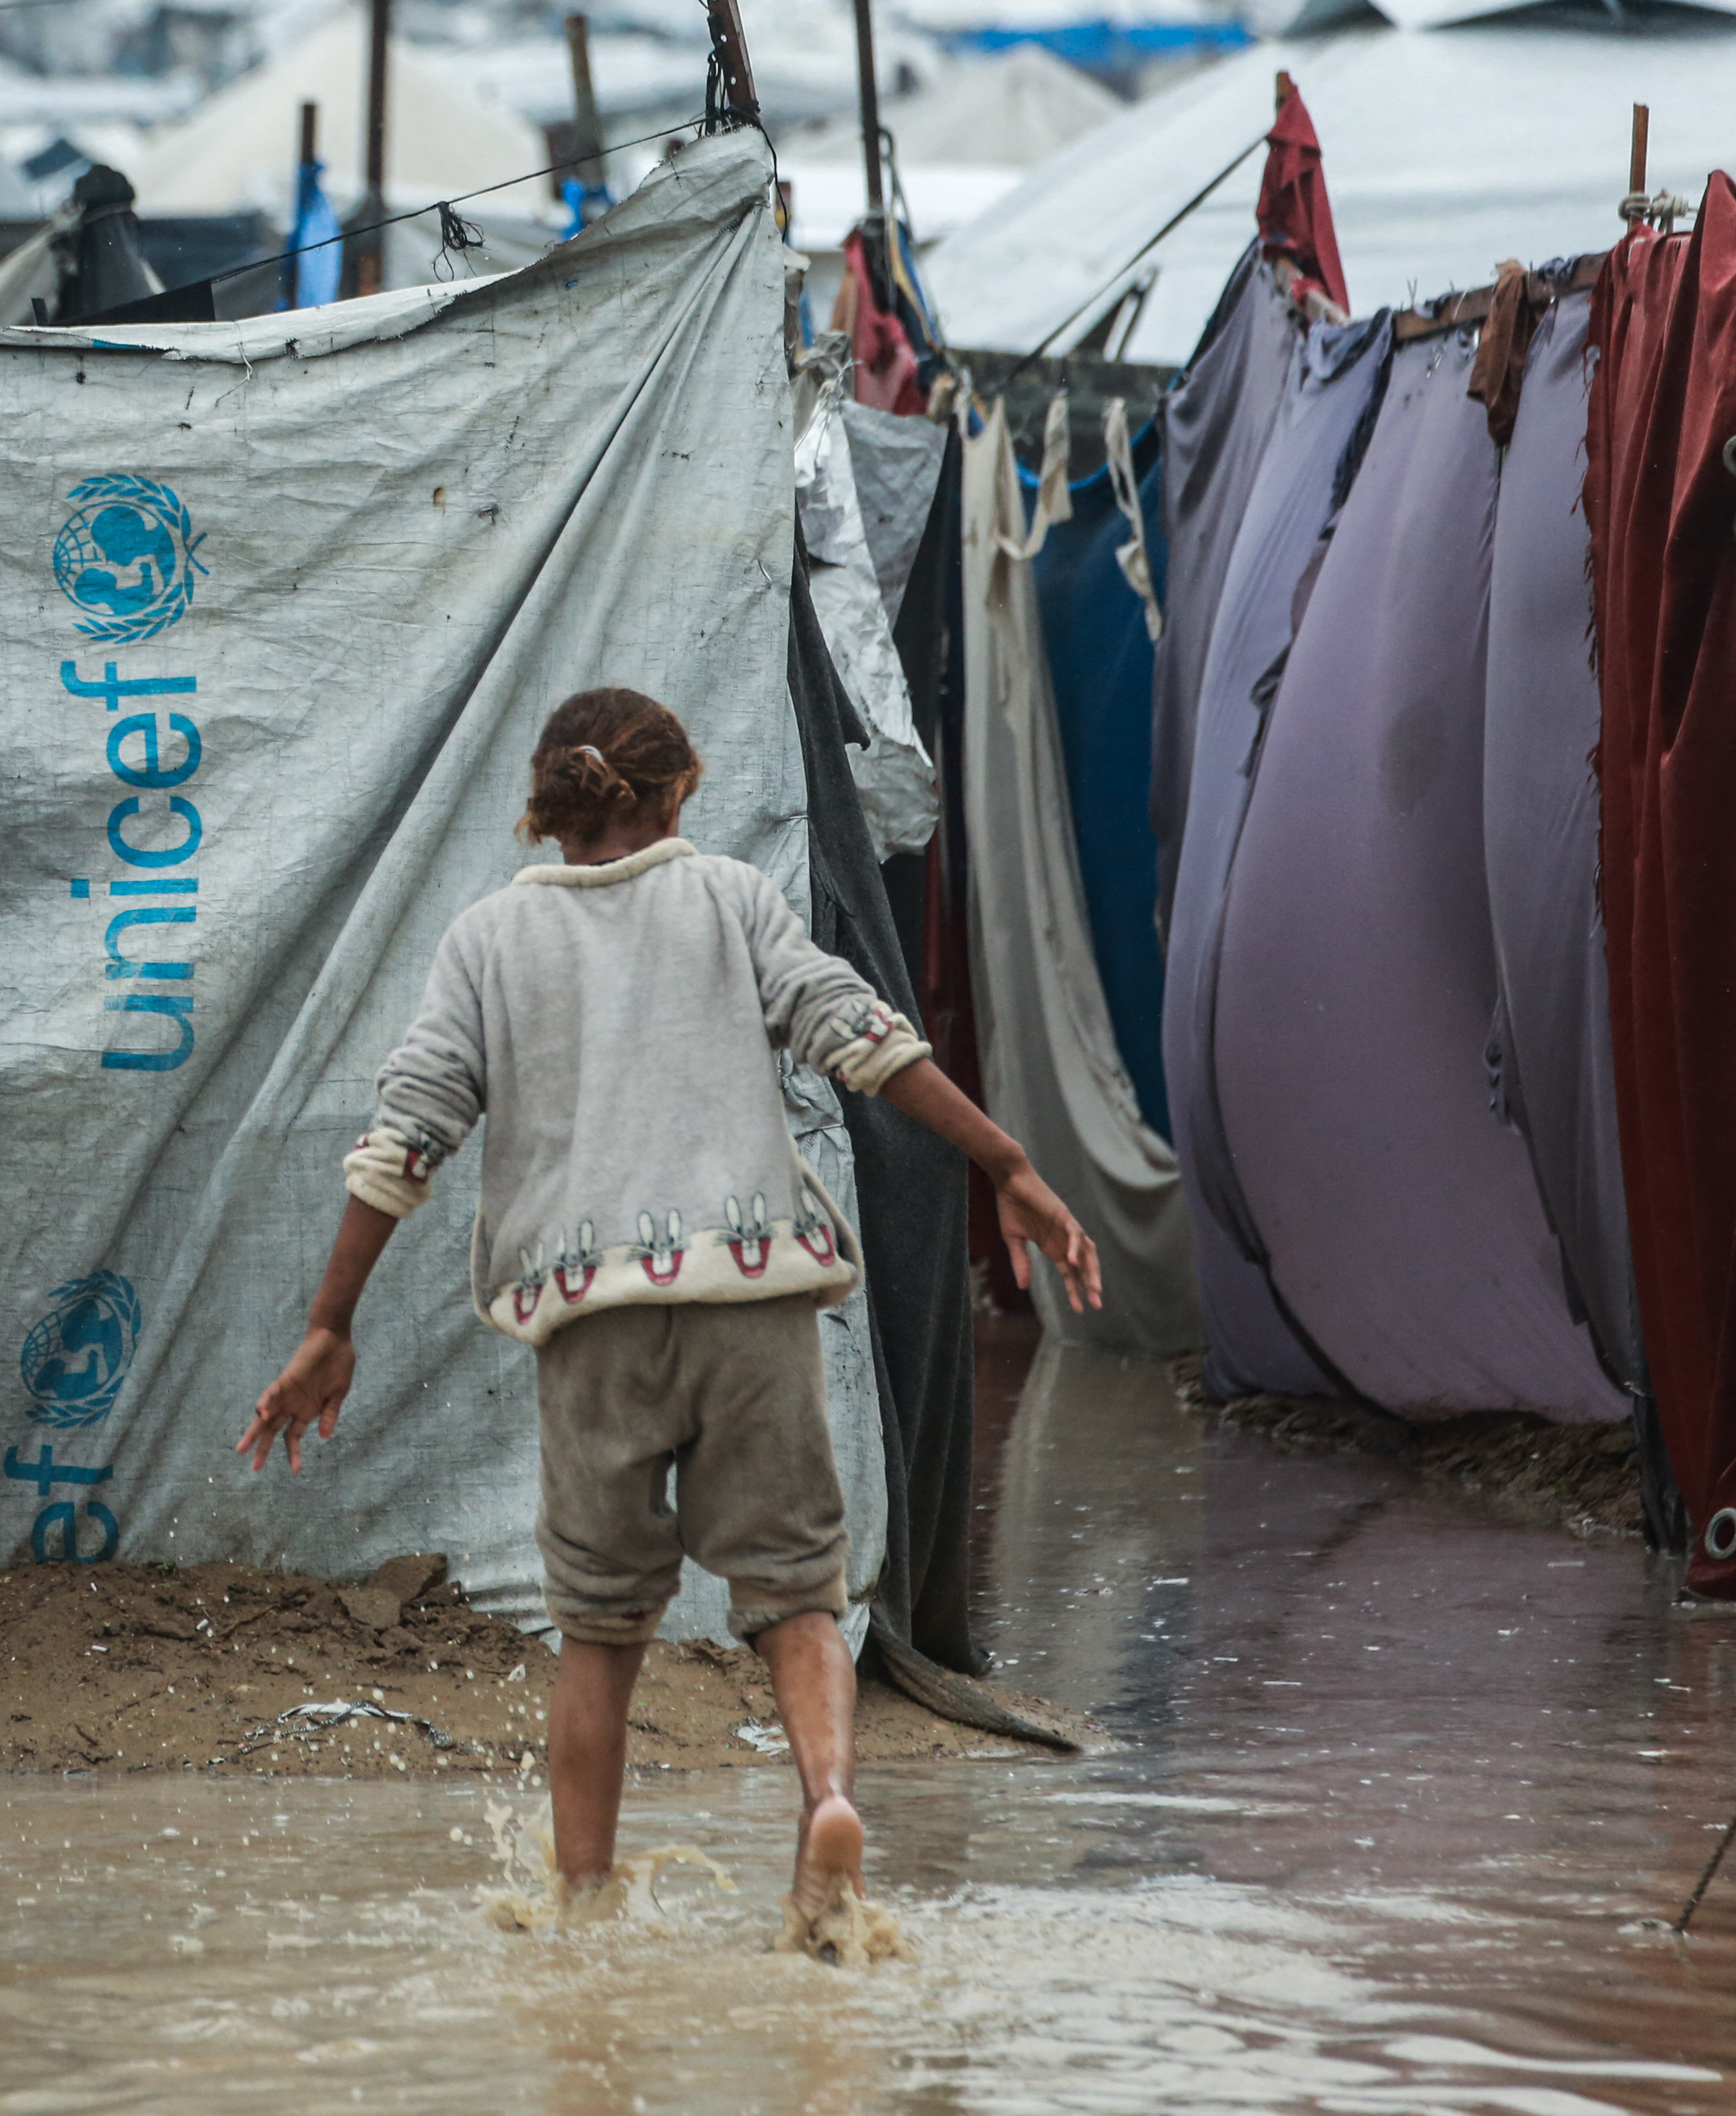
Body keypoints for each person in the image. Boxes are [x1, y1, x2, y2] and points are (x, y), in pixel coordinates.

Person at [238, 686, 1099, 1952]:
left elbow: (403, 1141)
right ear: (678, 792)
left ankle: (580, 1913)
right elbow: (863, 1039)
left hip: (593, 1328)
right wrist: (1008, 1162)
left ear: (546, 807)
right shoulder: (732, 900)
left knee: (599, 1632)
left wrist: (331, 1323)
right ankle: (829, 1811)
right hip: (750, 1304)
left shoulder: (487, 943)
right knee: (801, 1598)